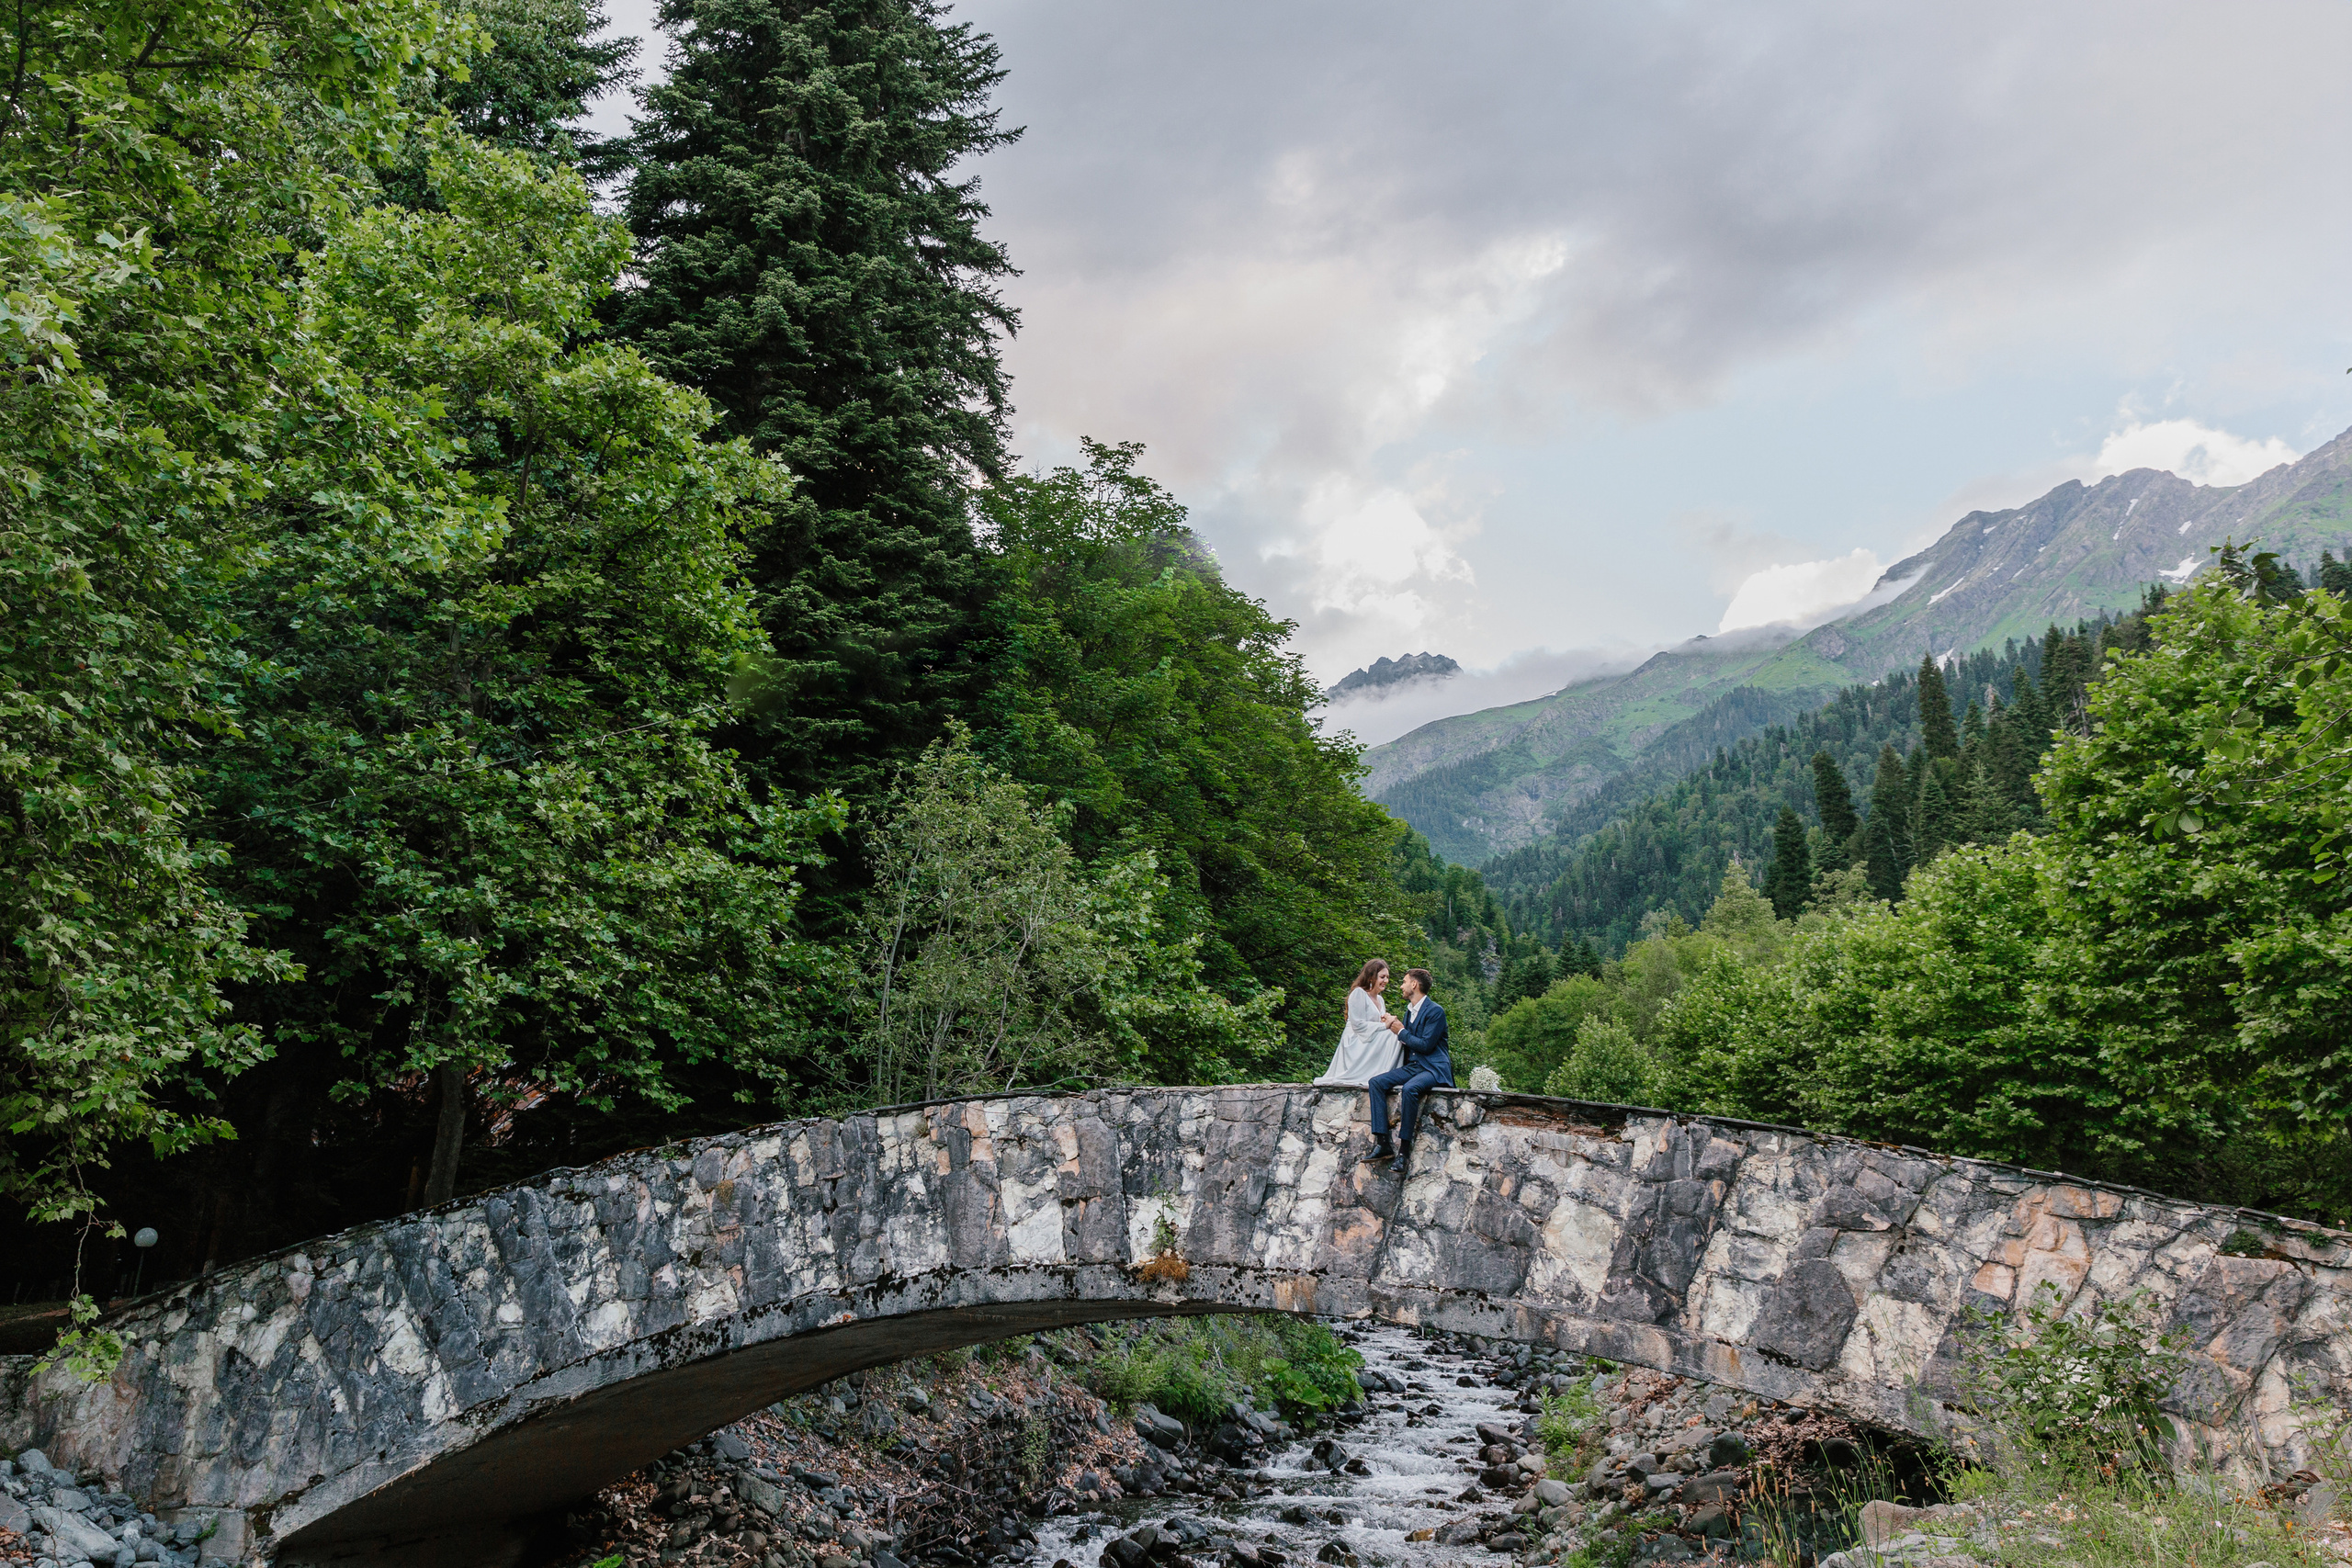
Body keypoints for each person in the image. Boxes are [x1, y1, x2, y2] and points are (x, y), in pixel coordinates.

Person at [1365, 968, 1450, 1174]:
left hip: (1434, 1067)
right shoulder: (1408, 1011)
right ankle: (1383, 1143)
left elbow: (1426, 1045)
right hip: (1413, 1066)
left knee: (1410, 1089)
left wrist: (1400, 1031)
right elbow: (1406, 1042)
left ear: (1414, 985)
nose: (1401, 986)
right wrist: (1391, 1027)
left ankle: (1403, 1152)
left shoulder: (1435, 1011)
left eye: (1404, 982)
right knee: (1376, 1082)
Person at [1314, 959, 1403, 1087]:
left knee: (1397, 1035)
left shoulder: (1380, 999)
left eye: (1387, 977)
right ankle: (1381, 1075)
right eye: (1382, 977)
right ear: (1371, 977)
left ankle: (1388, 1075)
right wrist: (1385, 1025)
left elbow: (1377, 1023)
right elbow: (1358, 1025)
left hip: (1371, 1037)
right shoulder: (1358, 993)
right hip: (1356, 1039)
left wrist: (1388, 1021)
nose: (1386, 981)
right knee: (1391, 1035)